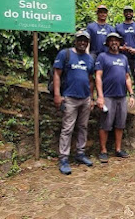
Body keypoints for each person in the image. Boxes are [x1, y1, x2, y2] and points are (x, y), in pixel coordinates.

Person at [53, 30, 95, 175]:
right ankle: (64, 158)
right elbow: (57, 75)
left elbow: (90, 80)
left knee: (83, 126)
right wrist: (57, 95)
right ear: (75, 41)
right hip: (69, 97)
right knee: (67, 128)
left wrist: (91, 98)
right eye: (80, 40)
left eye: (85, 41)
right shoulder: (65, 54)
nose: (82, 43)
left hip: (85, 98)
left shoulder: (89, 59)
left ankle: (80, 153)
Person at [95, 32, 135, 161]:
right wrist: (100, 96)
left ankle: (118, 149)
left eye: (116, 41)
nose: (114, 43)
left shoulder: (123, 58)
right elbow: (98, 77)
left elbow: (127, 78)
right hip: (108, 96)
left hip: (121, 96)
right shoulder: (102, 57)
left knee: (120, 124)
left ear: (120, 43)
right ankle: (103, 150)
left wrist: (132, 94)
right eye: (111, 40)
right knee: (105, 124)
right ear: (107, 43)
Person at [115, 6, 135, 111]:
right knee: (122, 78)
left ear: (133, 13)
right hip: (122, 57)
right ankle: (122, 99)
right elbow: (114, 42)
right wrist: (121, 48)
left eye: (130, 12)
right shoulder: (118, 27)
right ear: (123, 13)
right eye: (126, 12)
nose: (128, 13)